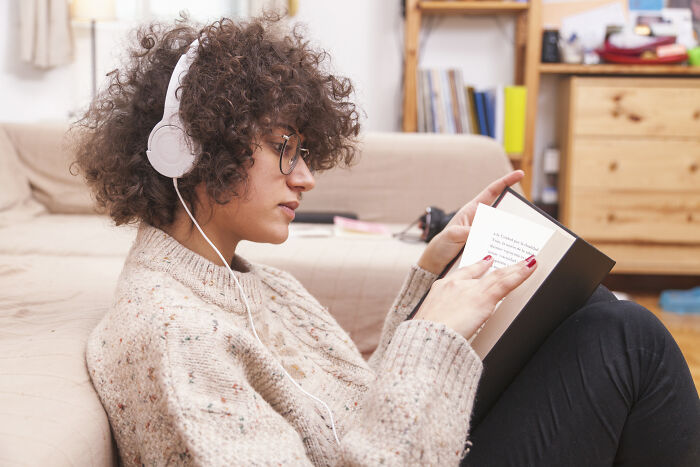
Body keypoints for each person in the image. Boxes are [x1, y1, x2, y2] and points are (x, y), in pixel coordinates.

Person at [73, 14, 699, 466]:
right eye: (285, 149)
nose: (307, 178)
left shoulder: (252, 281)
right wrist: (437, 335)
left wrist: (433, 275)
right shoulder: (168, 333)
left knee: (591, 313)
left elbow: (358, 404)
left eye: (307, 151)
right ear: (195, 150)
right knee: (631, 339)